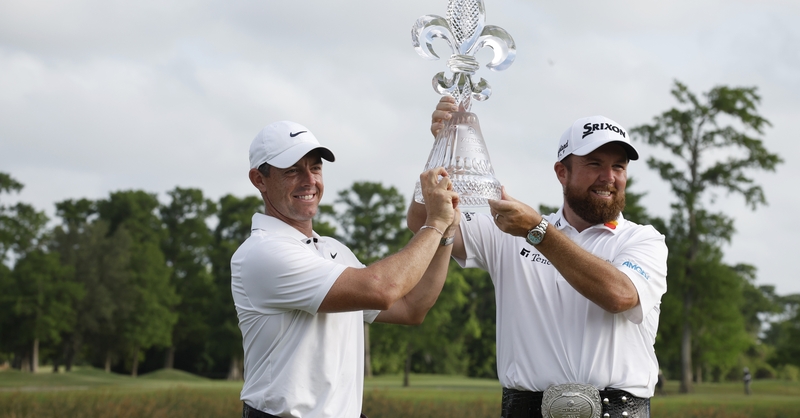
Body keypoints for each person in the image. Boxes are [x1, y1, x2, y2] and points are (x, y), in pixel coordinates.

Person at [408, 96, 668, 418]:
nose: (608, 177)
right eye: (594, 164)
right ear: (562, 172)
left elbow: (620, 295)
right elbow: (425, 222)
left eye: (618, 166)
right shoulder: (511, 230)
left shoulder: (643, 239)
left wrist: (537, 231)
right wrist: (445, 148)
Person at [232, 120, 460, 418]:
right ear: (259, 179)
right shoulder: (262, 252)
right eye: (292, 170)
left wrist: (447, 235)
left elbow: (410, 308)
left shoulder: (333, 250)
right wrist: (435, 223)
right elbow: (383, 289)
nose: (309, 180)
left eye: (315, 168)